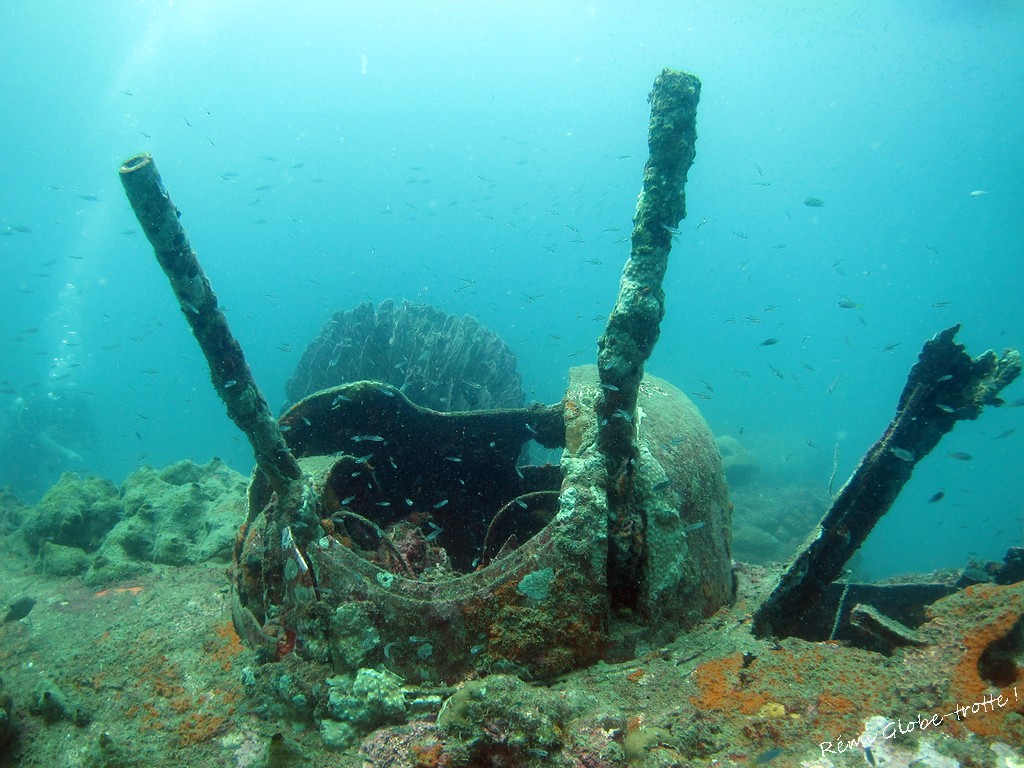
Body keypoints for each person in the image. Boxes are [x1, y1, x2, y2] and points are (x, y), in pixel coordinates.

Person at [0, 387, 95, 502]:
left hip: (21, 451)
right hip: (14, 452)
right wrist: (67, 452)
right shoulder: (34, 412)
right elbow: (40, 437)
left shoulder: (41, 409)